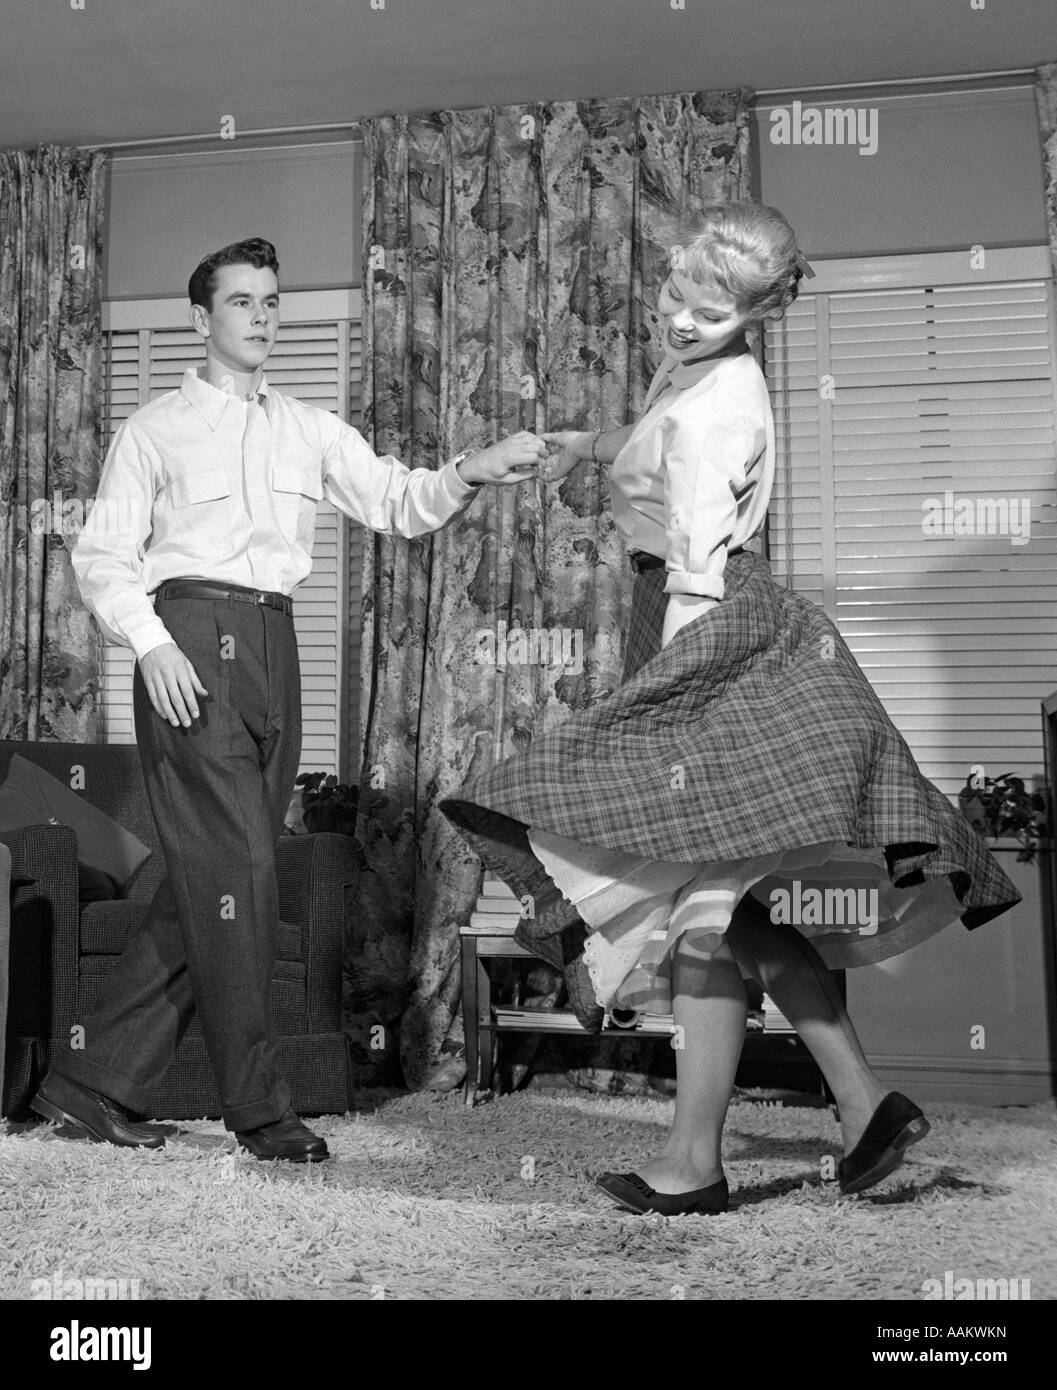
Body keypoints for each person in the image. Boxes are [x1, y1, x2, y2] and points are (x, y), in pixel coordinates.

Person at [440, 202, 1020, 1213]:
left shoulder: (724, 411)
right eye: (674, 294)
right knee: (724, 908)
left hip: (710, 633)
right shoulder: (694, 373)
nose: (678, 317)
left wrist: (673, 719)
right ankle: (864, 1101)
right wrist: (585, 447)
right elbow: (649, 435)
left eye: (708, 310)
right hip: (679, 617)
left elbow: (700, 572)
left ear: (759, 313)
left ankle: (693, 1162)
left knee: (700, 915)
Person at [33, 237, 545, 1162]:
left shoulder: (309, 428)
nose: (263, 316)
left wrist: (475, 467)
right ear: (202, 319)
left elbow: (399, 500)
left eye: (272, 301)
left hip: (276, 643)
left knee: (222, 878)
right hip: (189, 642)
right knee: (243, 882)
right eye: (242, 302)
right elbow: (102, 554)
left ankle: (87, 1082)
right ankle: (259, 1110)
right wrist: (149, 646)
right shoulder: (153, 427)